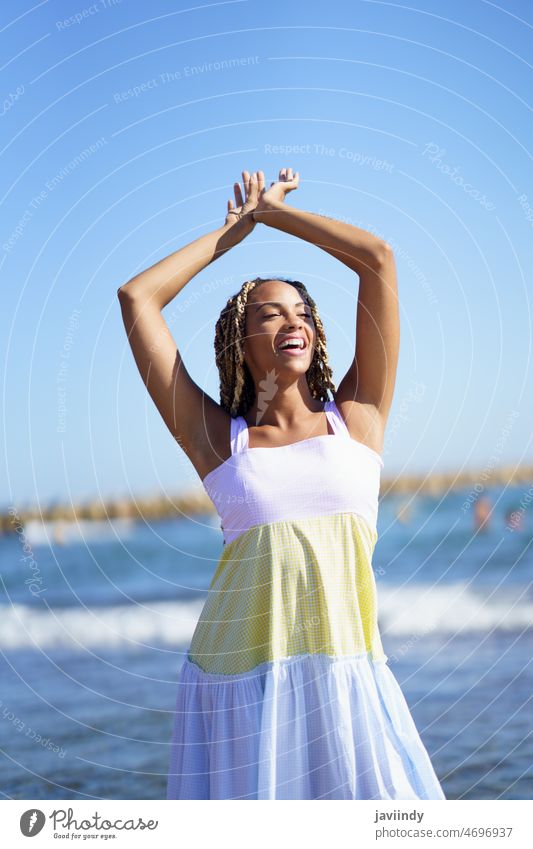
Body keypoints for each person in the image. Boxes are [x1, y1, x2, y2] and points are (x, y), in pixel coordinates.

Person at [117, 168, 446, 800]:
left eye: (301, 312)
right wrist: (235, 231)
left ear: (316, 334)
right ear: (240, 343)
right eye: (269, 315)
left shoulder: (358, 419)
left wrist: (276, 214)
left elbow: (377, 259)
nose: (291, 321)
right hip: (241, 680)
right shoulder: (219, 441)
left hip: (348, 671)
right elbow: (138, 299)